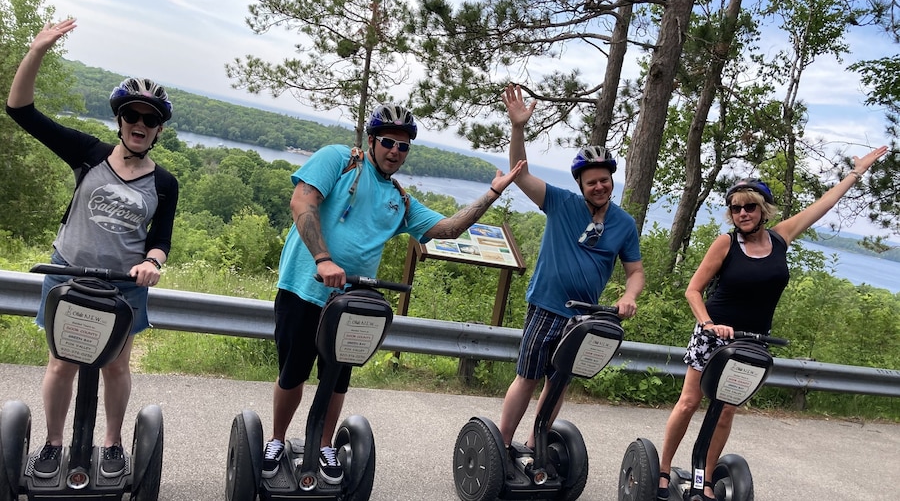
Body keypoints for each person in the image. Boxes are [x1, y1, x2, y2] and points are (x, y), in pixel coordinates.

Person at [263, 103, 525, 482]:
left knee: (337, 378)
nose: (395, 152)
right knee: (293, 372)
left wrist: (493, 193)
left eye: (403, 147)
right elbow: (302, 201)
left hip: (351, 302)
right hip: (305, 289)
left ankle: (323, 445)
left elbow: (448, 229)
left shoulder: (400, 200)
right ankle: (276, 439)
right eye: (388, 142)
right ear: (372, 140)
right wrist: (323, 259)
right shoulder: (339, 160)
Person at [656, 144, 888, 501]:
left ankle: (705, 479)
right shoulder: (725, 244)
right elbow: (693, 291)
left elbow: (823, 205)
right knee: (689, 402)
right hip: (714, 335)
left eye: (750, 206)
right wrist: (708, 324)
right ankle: (662, 469)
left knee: (726, 411)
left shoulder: (781, 238)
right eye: (736, 208)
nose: (743, 213)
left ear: (763, 210)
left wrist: (856, 173)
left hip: (752, 342)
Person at [6, 18, 179, 479]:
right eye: (132, 116)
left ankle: (113, 442)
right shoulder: (88, 153)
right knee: (61, 364)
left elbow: (161, 239)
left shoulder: (165, 182)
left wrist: (152, 262)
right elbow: (21, 111)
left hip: (124, 284)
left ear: (159, 130)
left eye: (150, 119)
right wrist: (37, 50)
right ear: (119, 121)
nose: (140, 124)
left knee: (116, 368)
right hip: (68, 274)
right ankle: (53, 443)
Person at [497, 83, 645, 450]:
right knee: (528, 377)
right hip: (546, 306)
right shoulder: (561, 203)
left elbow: (635, 272)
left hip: (584, 317)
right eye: (592, 182)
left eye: (605, 180)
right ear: (580, 184)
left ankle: (535, 446)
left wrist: (629, 296)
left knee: (559, 381)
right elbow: (520, 174)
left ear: (612, 180)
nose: (600, 187)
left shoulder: (624, 224)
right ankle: (501, 444)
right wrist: (518, 127)